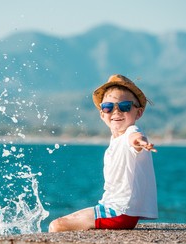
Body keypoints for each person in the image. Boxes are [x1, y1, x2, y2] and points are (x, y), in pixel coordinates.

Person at [48, 74, 158, 232]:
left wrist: (139, 142)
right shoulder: (115, 139)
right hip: (113, 209)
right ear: (102, 114)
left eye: (125, 106)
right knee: (70, 223)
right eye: (108, 107)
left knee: (56, 226)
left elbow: (134, 138)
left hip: (119, 213)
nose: (116, 112)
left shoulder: (131, 132)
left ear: (138, 113)